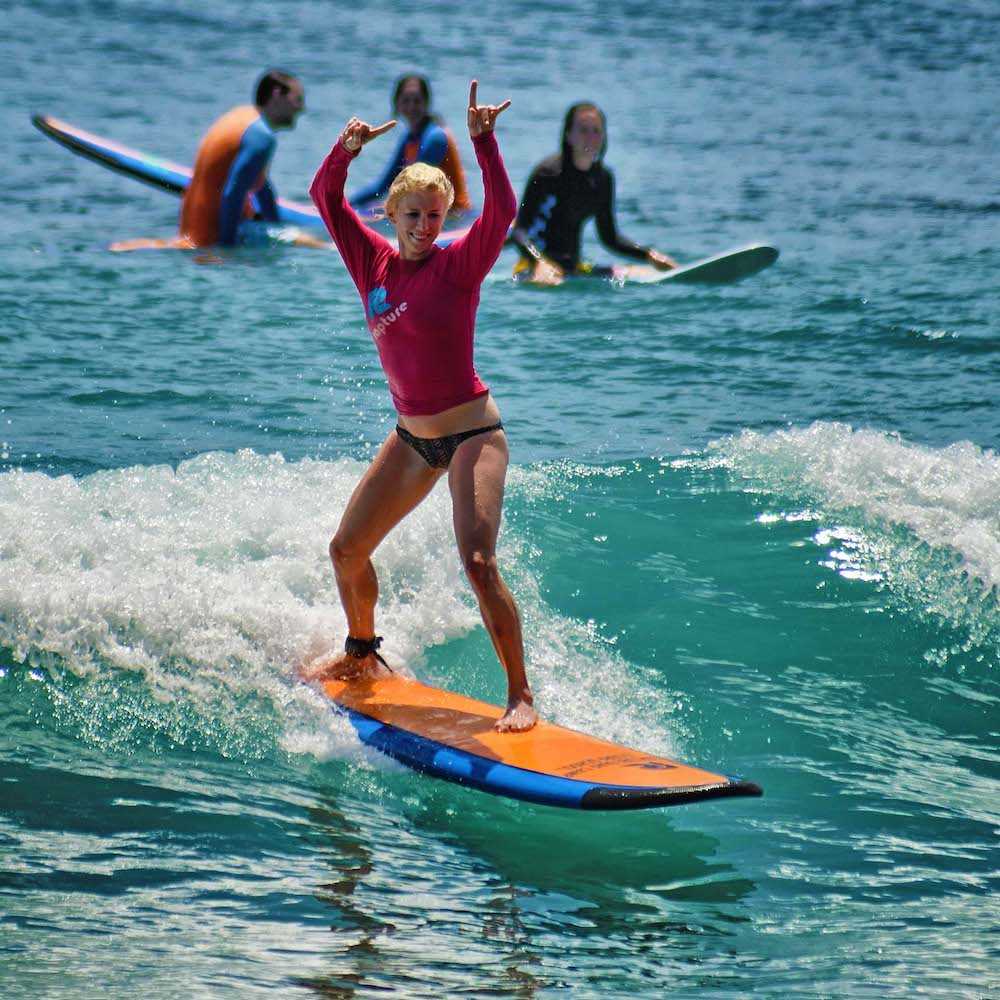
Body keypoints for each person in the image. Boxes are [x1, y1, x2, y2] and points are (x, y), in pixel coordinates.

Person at [306, 80, 536, 733]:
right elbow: (324, 197)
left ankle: (520, 693)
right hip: (412, 439)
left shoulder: (459, 265)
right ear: (391, 214)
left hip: (472, 435)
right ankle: (363, 653)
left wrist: (484, 144)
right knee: (346, 549)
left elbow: (503, 212)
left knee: (478, 562)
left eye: (435, 216)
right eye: (413, 214)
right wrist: (343, 152)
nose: (424, 226)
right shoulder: (369, 263)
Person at [510, 102, 677, 285]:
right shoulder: (546, 174)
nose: (591, 137)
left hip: (574, 269)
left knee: (645, 275)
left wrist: (649, 255)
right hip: (532, 268)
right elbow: (519, 232)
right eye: (583, 130)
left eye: (596, 131)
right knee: (552, 281)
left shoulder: (602, 179)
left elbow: (610, 238)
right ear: (568, 135)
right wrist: (540, 262)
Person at [178, 69, 306, 247]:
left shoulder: (242, 116)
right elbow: (232, 194)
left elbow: (263, 189)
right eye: (298, 100)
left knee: (284, 234)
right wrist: (227, 248)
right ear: (277, 95)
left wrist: (277, 226)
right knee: (307, 242)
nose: (302, 108)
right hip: (213, 237)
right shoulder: (262, 136)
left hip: (190, 232)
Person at [348, 74, 472, 214]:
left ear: (426, 103)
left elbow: (413, 188)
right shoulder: (409, 138)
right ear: (397, 104)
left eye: (417, 101)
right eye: (406, 101)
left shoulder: (435, 138)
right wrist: (347, 204)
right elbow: (382, 186)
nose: (411, 106)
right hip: (427, 211)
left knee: (379, 212)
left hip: (454, 217)